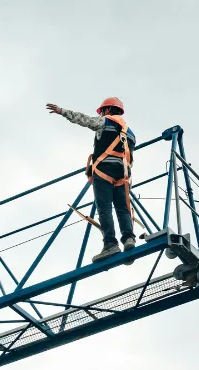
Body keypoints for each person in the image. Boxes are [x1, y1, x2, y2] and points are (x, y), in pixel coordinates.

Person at [46, 97, 137, 262]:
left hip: (104, 172)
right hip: (123, 174)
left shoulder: (105, 122)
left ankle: (110, 244)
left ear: (107, 110)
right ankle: (129, 238)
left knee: (104, 208)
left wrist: (62, 111)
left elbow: (84, 120)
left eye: (102, 111)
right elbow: (130, 158)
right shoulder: (131, 134)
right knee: (123, 209)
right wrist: (128, 180)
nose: (102, 113)